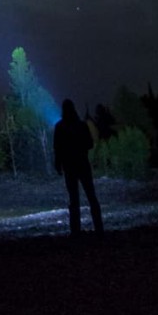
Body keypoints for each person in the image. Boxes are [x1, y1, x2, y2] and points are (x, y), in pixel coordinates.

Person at [53, 99, 104, 237]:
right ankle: (99, 228)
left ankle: (75, 231)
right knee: (91, 195)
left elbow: (57, 148)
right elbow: (89, 144)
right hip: (82, 164)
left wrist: (58, 164)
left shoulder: (60, 127)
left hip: (69, 166)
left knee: (74, 199)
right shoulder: (81, 125)